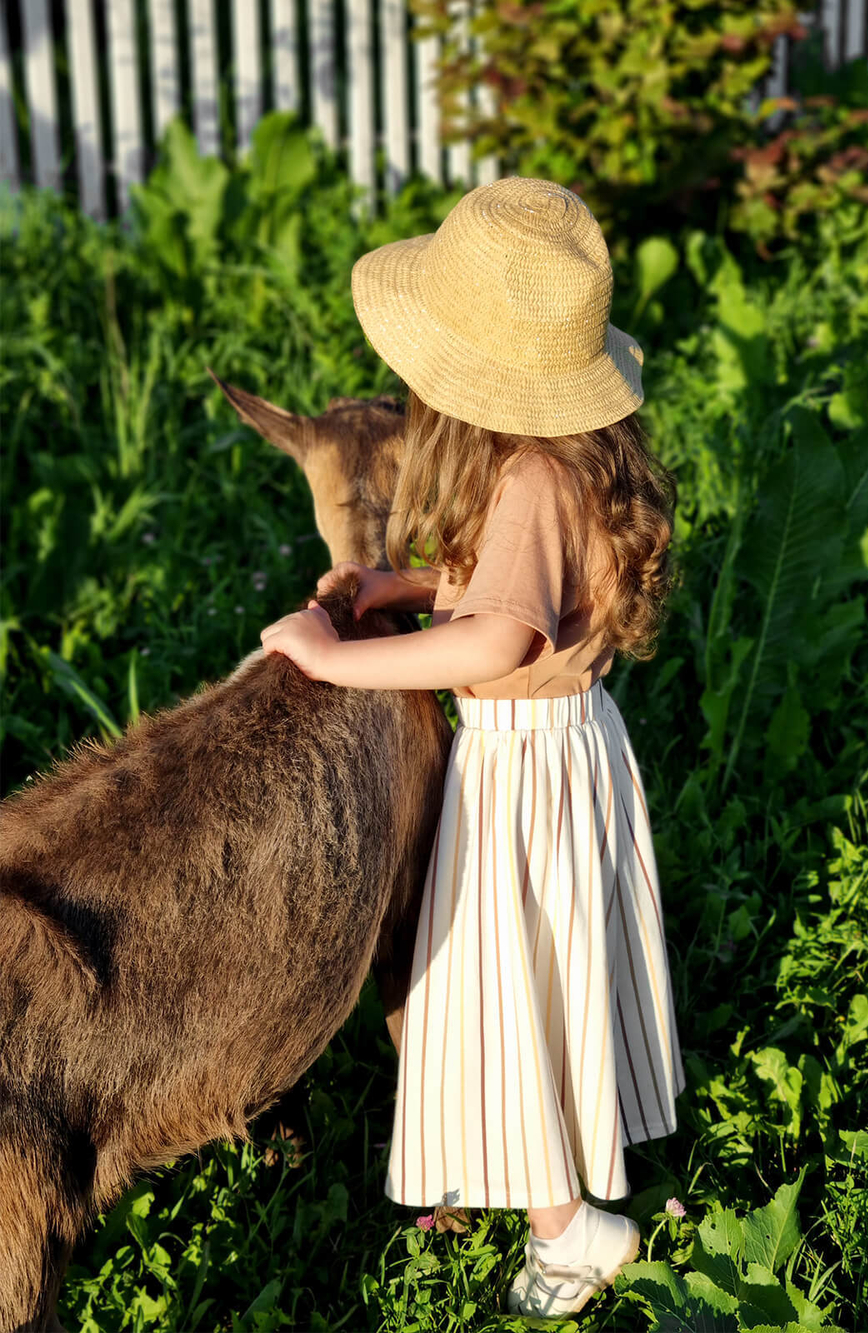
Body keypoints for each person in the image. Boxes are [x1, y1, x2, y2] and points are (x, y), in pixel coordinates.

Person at [259, 176, 685, 1320]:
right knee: (556, 975)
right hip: (569, 755)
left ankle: (572, 1232)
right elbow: (508, 588)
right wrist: (399, 583)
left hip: (516, 772)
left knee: (499, 984)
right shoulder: (568, 461)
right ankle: (593, 1159)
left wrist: (331, 657)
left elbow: (496, 633)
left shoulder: (534, 477)